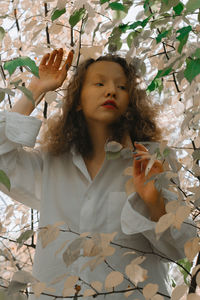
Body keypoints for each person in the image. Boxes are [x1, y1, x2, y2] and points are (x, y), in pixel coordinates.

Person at [0, 48, 196, 300]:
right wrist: (35, 89)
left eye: (122, 87)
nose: (111, 91)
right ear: (78, 101)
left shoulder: (153, 159)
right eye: (99, 83)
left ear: (130, 104)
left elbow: (182, 247)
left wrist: (154, 203)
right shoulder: (51, 161)